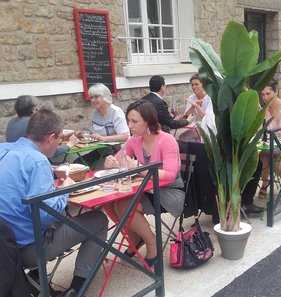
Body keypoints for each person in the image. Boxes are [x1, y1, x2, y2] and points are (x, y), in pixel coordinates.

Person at [0, 108, 108, 297]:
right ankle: (78, 287)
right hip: (25, 249)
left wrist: (51, 170)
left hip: (5, 247)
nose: (58, 145)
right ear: (51, 137)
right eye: (59, 140)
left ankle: (36, 278)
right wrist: (64, 189)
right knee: (98, 219)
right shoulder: (37, 161)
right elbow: (46, 215)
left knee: (69, 215)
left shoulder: (5, 149)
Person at [104, 100, 185, 267]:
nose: (130, 126)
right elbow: (120, 159)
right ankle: (135, 237)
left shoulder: (166, 140)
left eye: (134, 121)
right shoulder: (135, 140)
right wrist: (111, 161)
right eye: (128, 121)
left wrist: (139, 167)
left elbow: (170, 175)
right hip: (147, 188)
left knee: (125, 204)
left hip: (169, 191)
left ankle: (151, 242)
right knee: (109, 203)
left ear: (147, 121)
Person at [5, 95, 78, 164]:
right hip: (32, 162)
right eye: (38, 107)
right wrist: (69, 145)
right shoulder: (34, 123)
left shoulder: (11, 122)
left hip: (14, 160)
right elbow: (49, 151)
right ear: (34, 109)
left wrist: (61, 135)